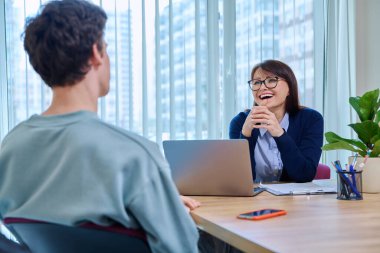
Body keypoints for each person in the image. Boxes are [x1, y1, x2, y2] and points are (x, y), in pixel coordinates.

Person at [0, 1, 199, 252]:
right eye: (106, 47)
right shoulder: (134, 156)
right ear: (96, 53)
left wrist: (155, 203)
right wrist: (166, 211)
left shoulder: (10, 148)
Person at [229, 59, 323, 183]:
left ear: (289, 88)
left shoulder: (311, 119)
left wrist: (280, 134)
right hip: (254, 201)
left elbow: (304, 175)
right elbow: (240, 181)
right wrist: (245, 136)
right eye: (256, 82)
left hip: (293, 201)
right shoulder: (239, 122)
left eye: (272, 80)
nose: (262, 87)